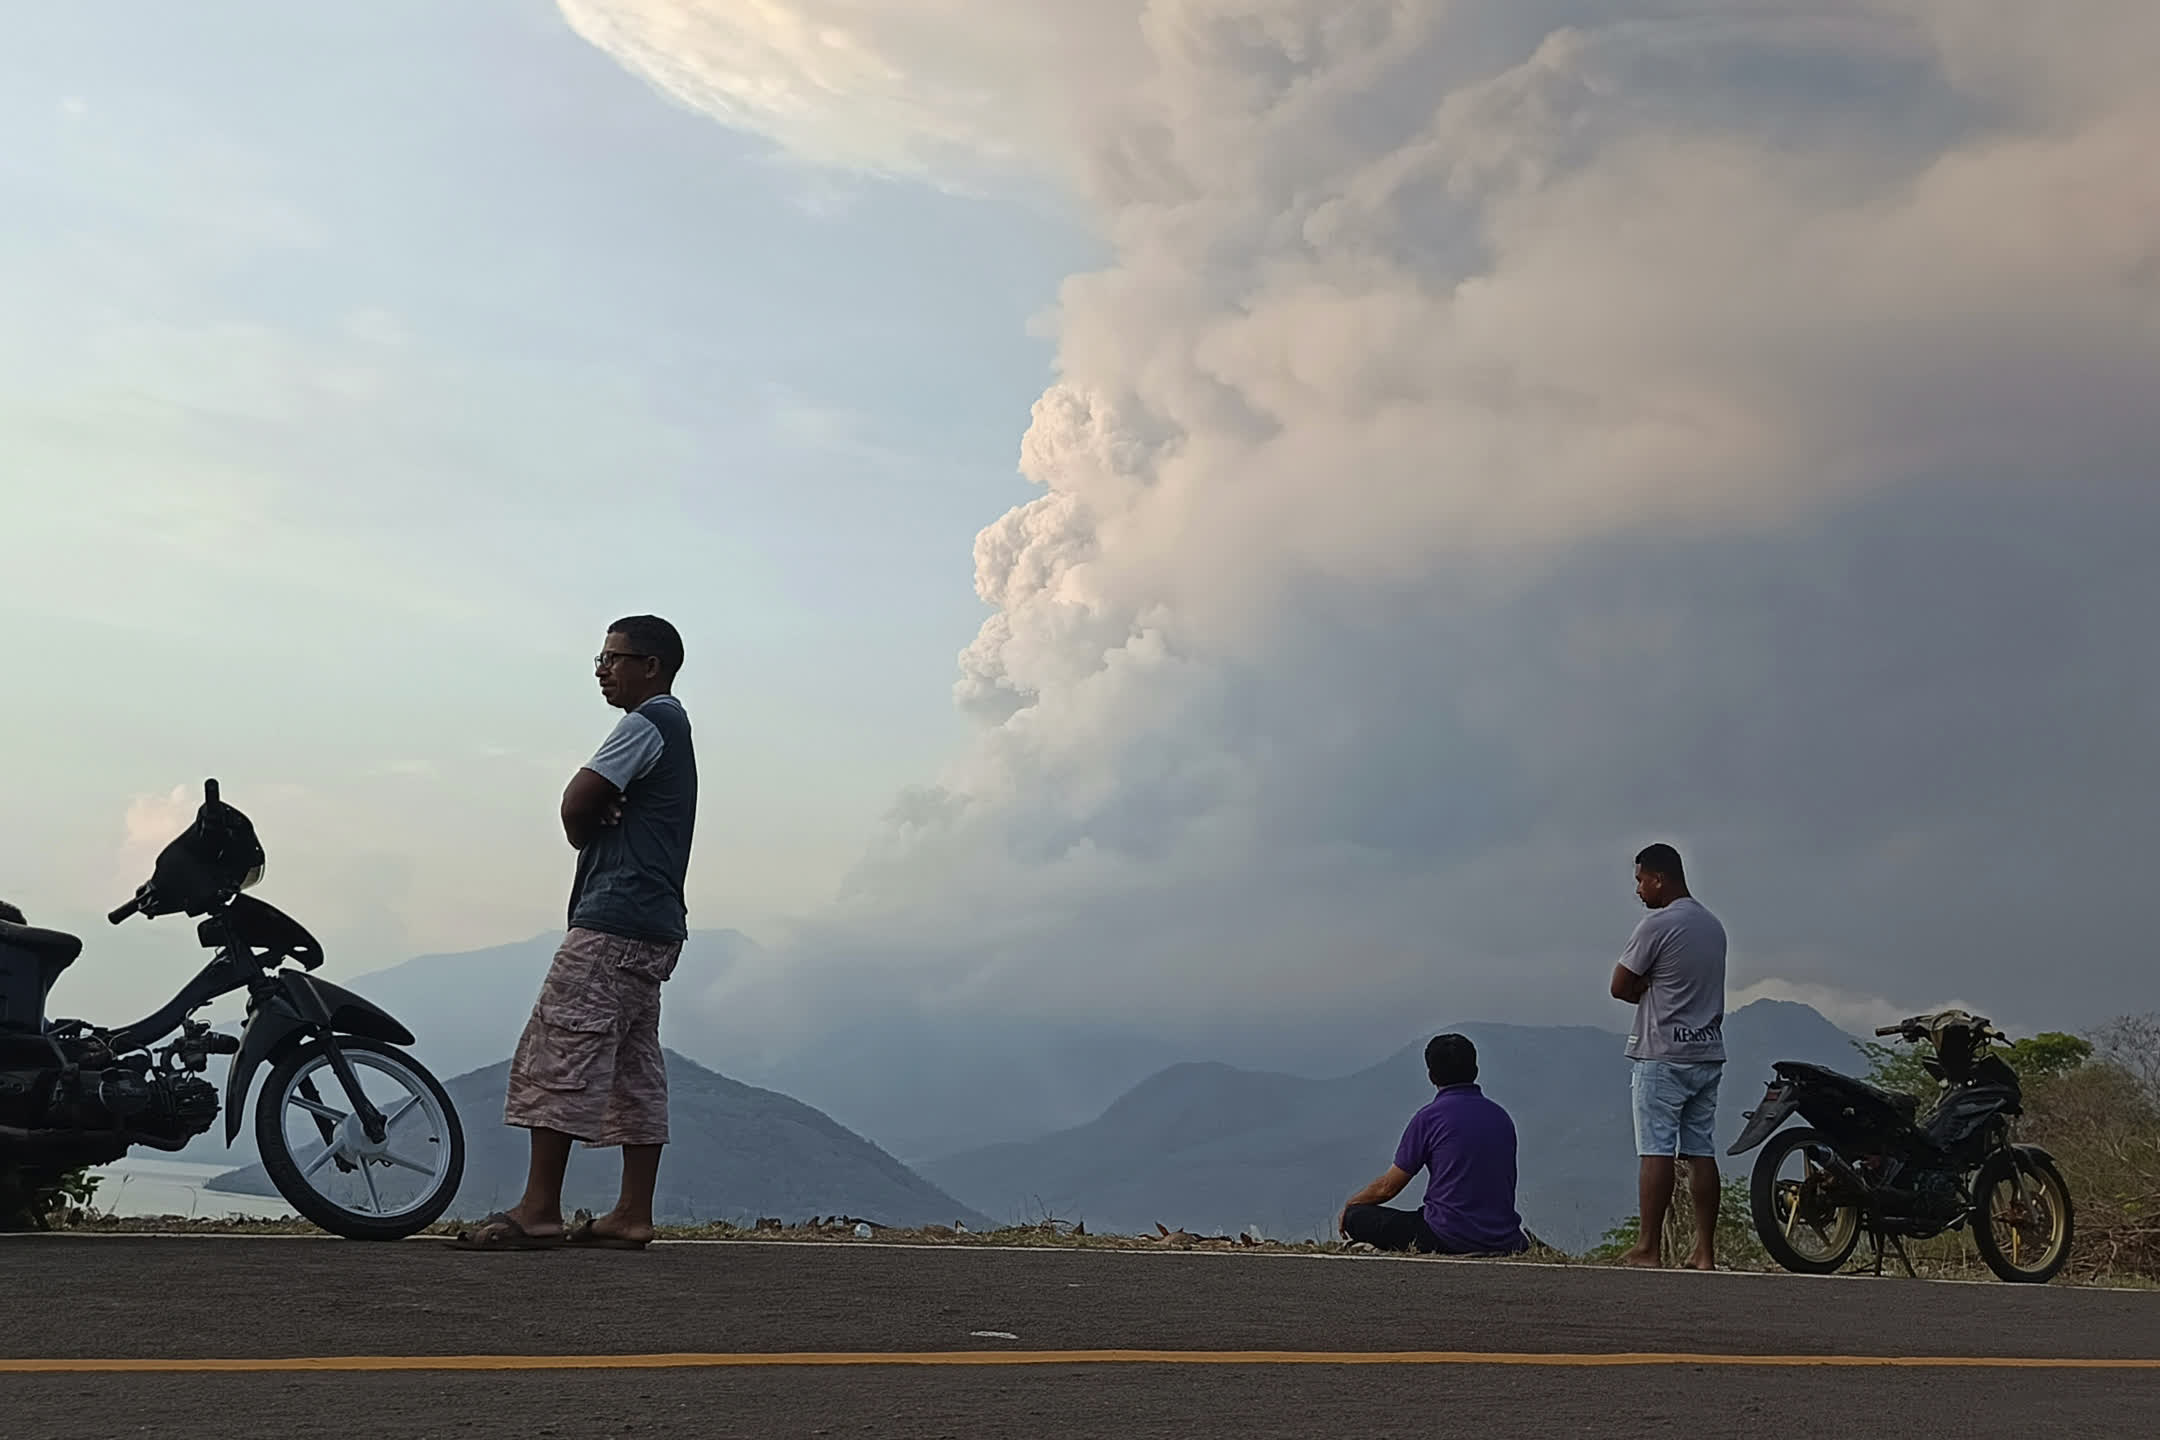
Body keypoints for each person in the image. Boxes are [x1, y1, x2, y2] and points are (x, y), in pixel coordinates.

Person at [456, 615, 697, 1251]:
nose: (601, 668)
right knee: (633, 1066)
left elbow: (575, 800)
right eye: (601, 656)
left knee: (558, 1049)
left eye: (615, 658)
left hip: (613, 919)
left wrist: (586, 825)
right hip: (655, 927)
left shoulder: (648, 722)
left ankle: (538, 1210)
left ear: (653, 666)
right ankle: (631, 1213)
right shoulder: (674, 729)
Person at [1609, 842, 1727, 1270]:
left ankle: (1648, 1247)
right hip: (1707, 1049)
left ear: (1659, 878)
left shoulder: (1657, 925)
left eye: (1641, 880)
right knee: (1700, 1150)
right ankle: (1704, 1251)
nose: (1639, 890)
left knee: (1656, 1149)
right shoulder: (1713, 926)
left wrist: (1645, 989)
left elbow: (1620, 985)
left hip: (1663, 1052)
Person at [1336, 1034, 1530, 1255]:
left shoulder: (1429, 1118)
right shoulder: (1501, 1117)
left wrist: (1351, 1206)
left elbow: (1387, 1188)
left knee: (1357, 1217)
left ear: (1431, 1076)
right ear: (1475, 1071)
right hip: (1502, 1237)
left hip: (1446, 1236)